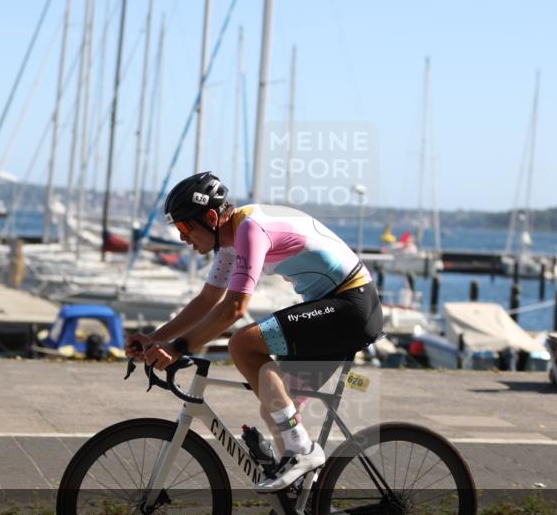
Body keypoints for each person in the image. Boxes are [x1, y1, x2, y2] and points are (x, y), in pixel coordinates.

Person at [126, 171, 383, 492]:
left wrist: (178, 347)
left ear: (210, 217)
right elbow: (207, 300)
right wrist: (156, 339)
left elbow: (234, 308)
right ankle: (304, 504)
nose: (181, 237)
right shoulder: (228, 245)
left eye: (183, 227)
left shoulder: (250, 229)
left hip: (351, 305)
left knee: (244, 344)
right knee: (274, 405)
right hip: (337, 307)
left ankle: (302, 451)